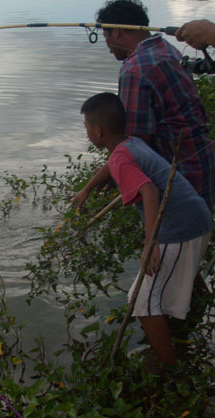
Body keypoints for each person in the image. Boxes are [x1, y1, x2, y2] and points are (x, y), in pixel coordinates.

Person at [81, 92, 212, 365]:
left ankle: (169, 369)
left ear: (97, 130)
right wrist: (87, 189)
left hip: (180, 228)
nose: (87, 133)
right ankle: (192, 316)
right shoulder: (129, 144)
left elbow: (149, 191)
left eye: (86, 128)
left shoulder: (121, 158)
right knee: (169, 285)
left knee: (143, 303)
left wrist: (150, 244)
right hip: (195, 218)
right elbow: (112, 165)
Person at [73, 0, 214, 210]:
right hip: (203, 168)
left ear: (118, 32)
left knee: (174, 239)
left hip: (177, 182)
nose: (108, 46)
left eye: (106, 36)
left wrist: (113, 171)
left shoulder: (135, 70)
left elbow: (134, 142)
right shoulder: (166, 49)